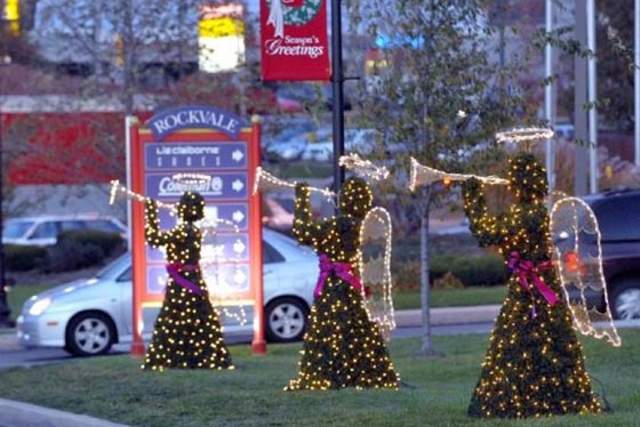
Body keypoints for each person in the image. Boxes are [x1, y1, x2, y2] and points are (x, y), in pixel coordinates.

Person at [462, 153, 601, 418]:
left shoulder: (524, 216)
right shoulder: (540, 213)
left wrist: (472, 193)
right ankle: (561, 396)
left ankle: (519, 399)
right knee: (554, 340)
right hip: (543, 285)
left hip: (529, 290)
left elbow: (485, 232)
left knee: (517, 342)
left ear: (518, 184)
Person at [285, 177, 399, 390]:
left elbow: (302, 232)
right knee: (361, 330)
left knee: (329, 331)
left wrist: (302, 198)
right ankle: (365, 373)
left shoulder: (338, 226)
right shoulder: (367, 229)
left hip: (333, 288)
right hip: (356, 287)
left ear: (345, 200)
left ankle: (328, 373)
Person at [142, 191, 233, 371]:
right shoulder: (192, 231)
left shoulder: (184, 231)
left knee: (175, 320)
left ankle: (175, 357)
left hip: (181, 283)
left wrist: (150, 211)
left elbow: (154, 238)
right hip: (192, 281)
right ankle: (201, 356)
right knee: (198, 320)